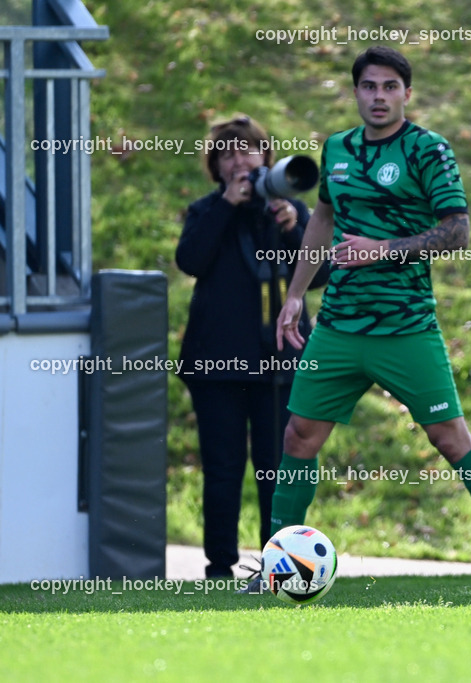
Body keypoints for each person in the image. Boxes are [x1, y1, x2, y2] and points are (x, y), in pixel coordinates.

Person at [264, 46, 471, 589]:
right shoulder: (338, 148)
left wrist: (383, 249)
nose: (379, 97)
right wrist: (297, 294)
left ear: (406, 94)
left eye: (390, 87)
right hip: (339, 325)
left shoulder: (427, 150)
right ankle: (276, 565)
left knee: (451, 438)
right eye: (369, 86)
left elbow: (457, 231)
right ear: (356, 92)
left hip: (406, 326)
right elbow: (322, 217)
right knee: (298, 437)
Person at [176, 115, 327, 579]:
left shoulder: (291, 211)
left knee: (276, 466)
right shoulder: (206, 210)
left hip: (279, 363)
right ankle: (218, 565)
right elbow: (191, 260)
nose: (240, 161)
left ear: (267, 156)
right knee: (222, 467)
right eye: (228, 154)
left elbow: (320, 276)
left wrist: (290, 228)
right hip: (216, 365)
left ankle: (277, 563)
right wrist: (227, 205)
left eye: (249, 151)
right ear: (216, 167)